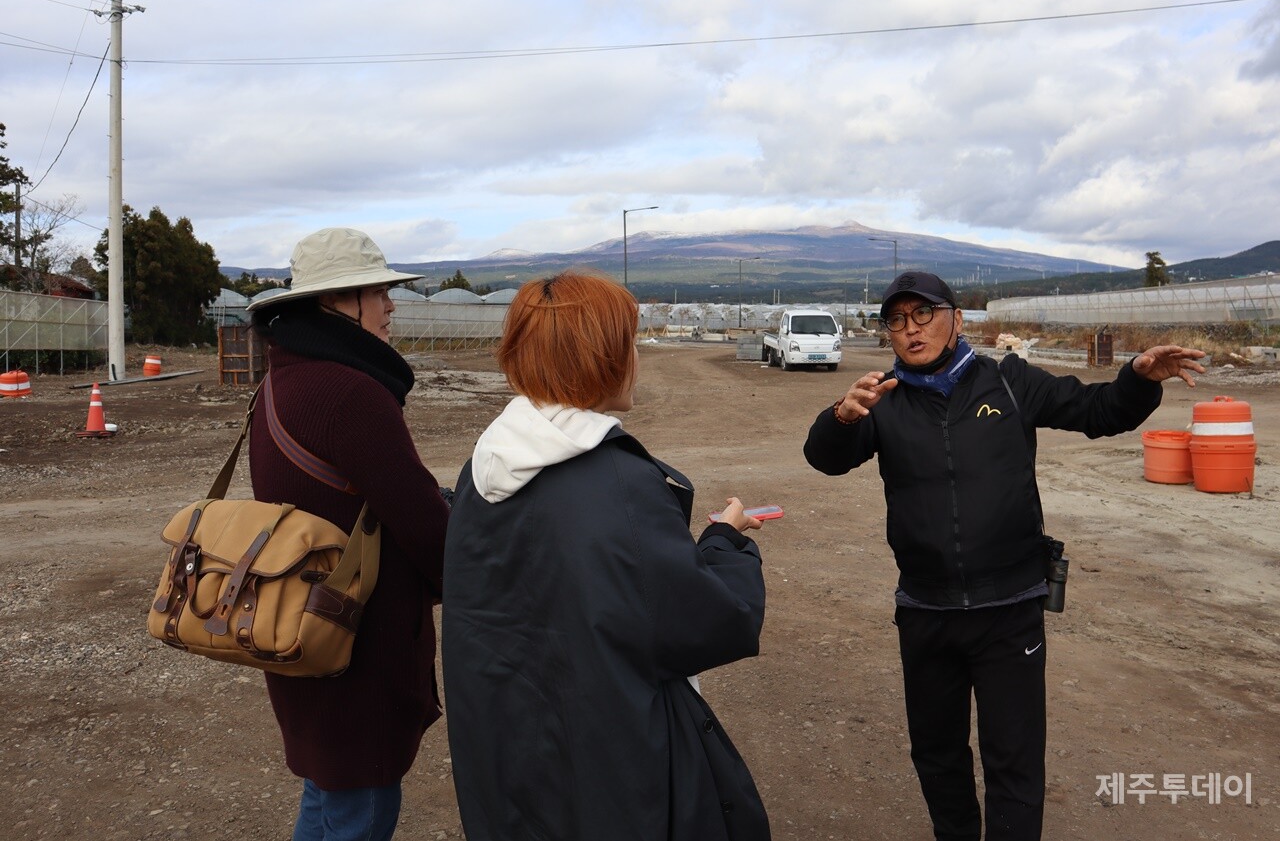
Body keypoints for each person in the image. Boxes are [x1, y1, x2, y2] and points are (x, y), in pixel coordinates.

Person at [803, 270, 1205, 841]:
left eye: (925, 315)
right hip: (926, 610)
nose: (911, 330)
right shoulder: (881, 399)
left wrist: (1138, 378)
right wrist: (842, 416)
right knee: (938, 754)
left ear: (956, 320)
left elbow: (1098, 411)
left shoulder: (1009, 382)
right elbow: (825, 459)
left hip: (1009, 608)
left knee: (1013, 758)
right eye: (897, 320)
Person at [441, 270, 771, 841]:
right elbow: (712, 623)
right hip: (608, 767)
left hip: (509, 756)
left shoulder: (485, 467)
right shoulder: (618, 482)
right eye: (628, 343)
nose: (635, 358)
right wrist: (726, 542)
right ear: (600, 358)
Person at [246, 227, 451, 841]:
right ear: (336, 303)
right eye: (378, 292)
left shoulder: (281, 380)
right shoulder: (353, 393)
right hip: (355, 643)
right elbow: (425, 528)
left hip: (301, 625)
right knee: (359, 808)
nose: (391, 305)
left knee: (329, 793)